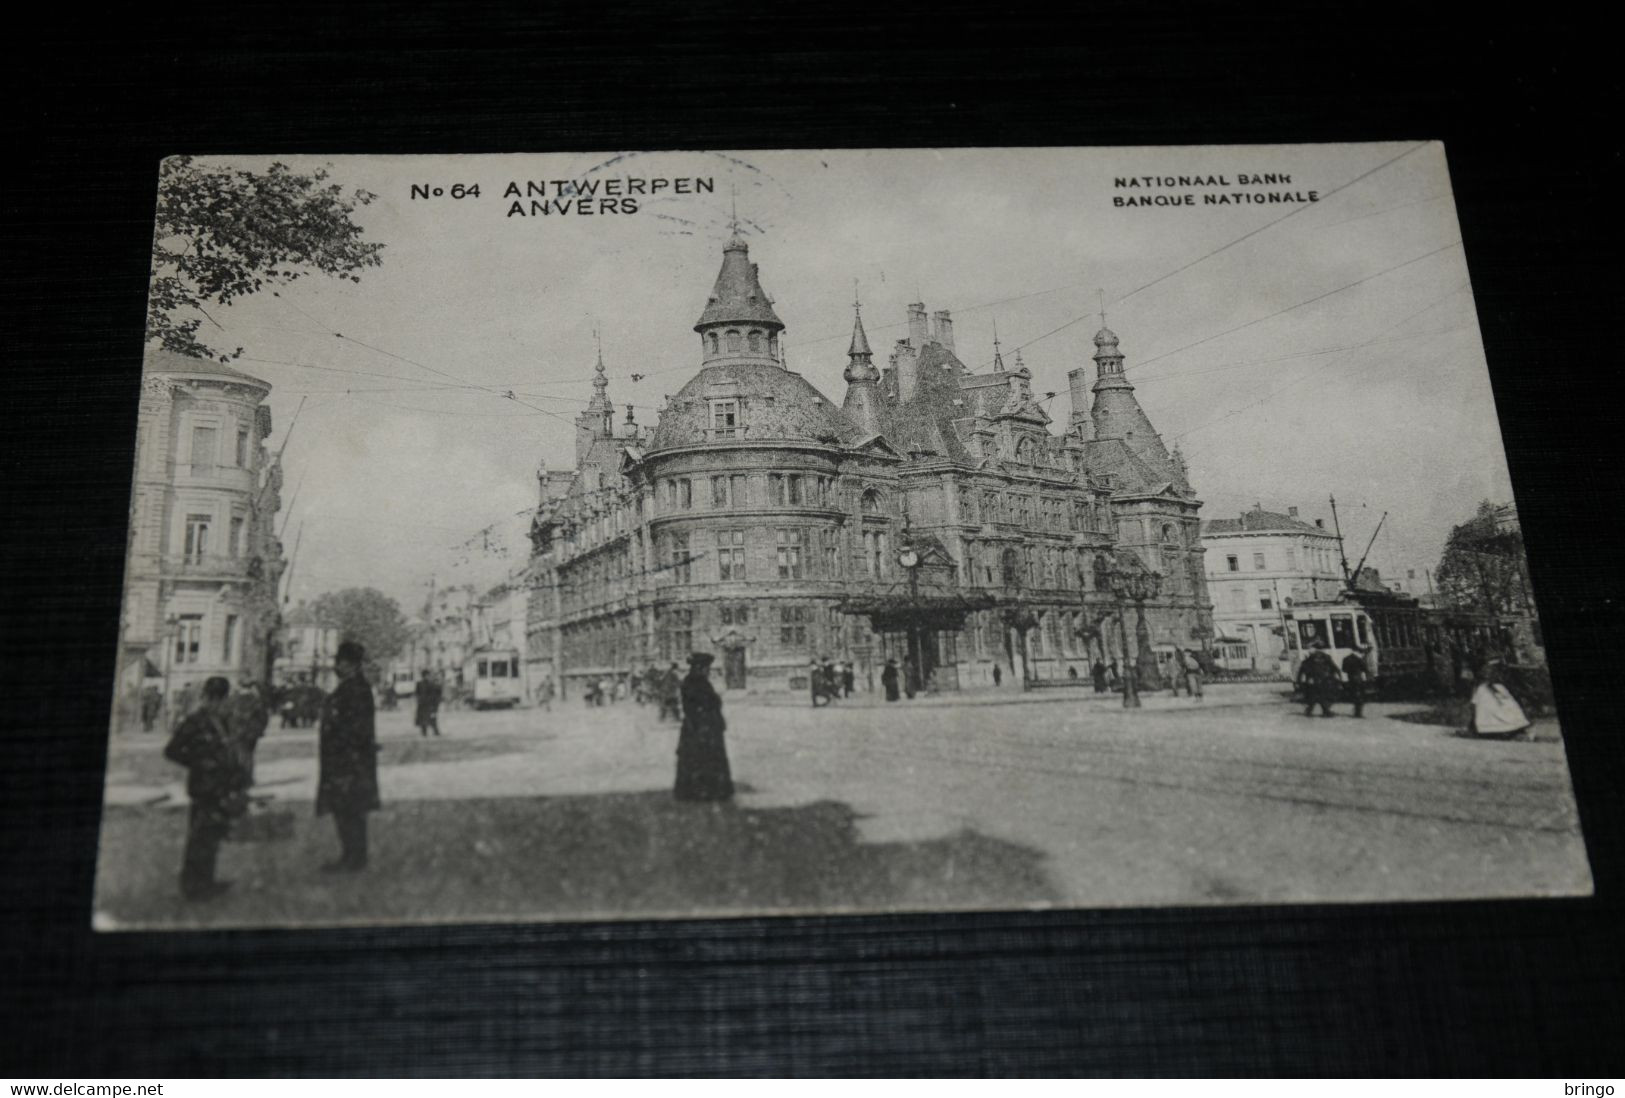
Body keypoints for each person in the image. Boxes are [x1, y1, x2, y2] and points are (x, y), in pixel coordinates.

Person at [163, 676, 247, 901]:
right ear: (208, 698)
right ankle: (193, 887)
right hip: (203, 787)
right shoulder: (194, 721)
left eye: (221, 699)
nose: (218, 704)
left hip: (220, 786)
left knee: (213, 835)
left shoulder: (223, 721)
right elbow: (172, 750)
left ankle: (207, 881)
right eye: (214, 699)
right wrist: (199, 762)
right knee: (200, 837)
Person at [316, 640, 379, 873]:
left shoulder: (354, 690)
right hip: (349, 760)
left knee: (349, 810)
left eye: (339, 662)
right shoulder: (354, 687)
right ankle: (353, 855)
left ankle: (353, 858)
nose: (336, 666)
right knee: (349, 810)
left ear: (349, 664)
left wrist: (344, 756)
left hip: (347, 762)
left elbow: (354, 729)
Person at [674, 652, 732, 802]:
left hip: (699, 724)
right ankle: (704, 791)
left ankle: (696, 790)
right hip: (701, 725)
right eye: (707, 668)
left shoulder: (693, 681)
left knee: (697, 757)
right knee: (704, 757)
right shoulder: (697, 683)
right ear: (699, 668)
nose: (708, 671)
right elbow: (701, 703)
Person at [1468, 660, 1533, 738]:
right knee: (1486, 706)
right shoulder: (1482, 688)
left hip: (1495, 689)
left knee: (1507, 706)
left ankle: (1511, 727)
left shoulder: (1498, 687)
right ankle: (1490, 729)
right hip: (1487, 690)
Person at [225, 676, 270, 786]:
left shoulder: (232, 699)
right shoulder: (256, 700)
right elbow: (264, 717)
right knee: (249, 754)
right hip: (251, 733)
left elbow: (225, 715)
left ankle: (237, 779)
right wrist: (260, 729)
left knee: (237, 754)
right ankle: (248, 779)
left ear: (239, 686)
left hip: (235, 731)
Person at [1296, 640, 1342, 717]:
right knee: (1319, 696)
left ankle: (1316, 711)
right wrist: (1339, 676)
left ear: (1315, 649)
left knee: (1316, 696)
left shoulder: (1310, 659)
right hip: (1323, 680)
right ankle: (1325, 711)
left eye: (1310, 648)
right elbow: (1334, 668)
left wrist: (1299, 682)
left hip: (1315, 681)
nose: (1309, 650)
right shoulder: (1325, 657)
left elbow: (1302, 671)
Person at [1341, 645, 1371, 718]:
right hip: (1358, 678)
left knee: (1354, 694)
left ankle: (1356, 711)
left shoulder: (1346, 659)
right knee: (1360, 695)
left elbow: (1344, 669)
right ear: (1357, 651)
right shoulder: (1358, 659)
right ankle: (1358, 713)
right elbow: (1365, 668)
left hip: (1350, 678)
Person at [414, 670, 442, 737]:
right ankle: (425, 732)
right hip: (423, 704)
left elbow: (435, 694)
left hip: (428, 704)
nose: (428, 676)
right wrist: (419, 700)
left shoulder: (431, 684)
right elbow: (417, 693)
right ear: (425, 676)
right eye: (427, 675)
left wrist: (434, 703)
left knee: (432, 718)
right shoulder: (420, 684)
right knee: (423, 719)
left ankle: (435, 731)